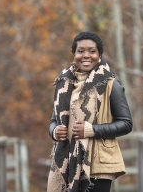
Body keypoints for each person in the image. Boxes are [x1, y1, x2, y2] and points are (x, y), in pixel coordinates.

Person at [47, 31, 133, 192]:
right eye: (80, 51)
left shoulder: (110, 84)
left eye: (92, 51)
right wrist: (55, 131)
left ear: (99, 55)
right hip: (66, 162)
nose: (86, 55)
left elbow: (126, 124)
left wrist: (92, 130)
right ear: (74, 54)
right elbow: (53, 121)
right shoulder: (64, 84)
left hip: (99, 164)